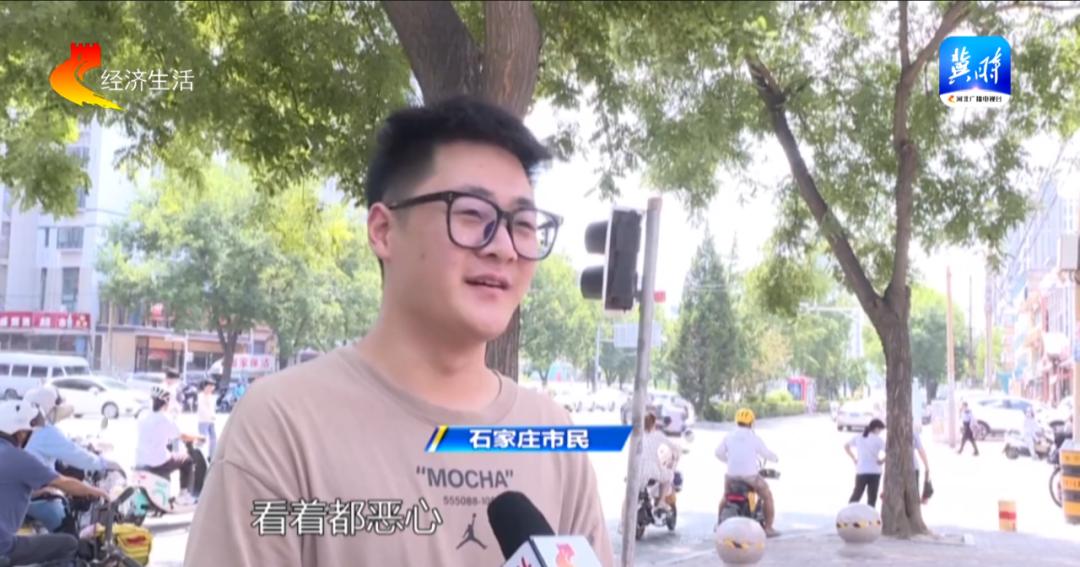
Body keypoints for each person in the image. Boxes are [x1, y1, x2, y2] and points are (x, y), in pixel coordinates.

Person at [184, 96, 613, 567]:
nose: (505, 248)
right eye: (472, 215)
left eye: (524, 225)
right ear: (383, 231)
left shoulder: (551, 433)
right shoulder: (282, 425)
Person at [1, 400, 109, 566]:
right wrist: (97, 492)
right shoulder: (18, 458)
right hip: (4, 546)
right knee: (69, 544)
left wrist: (41, 491)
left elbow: (8, 487)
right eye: (28, 432)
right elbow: (63, 482)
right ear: (20, 432)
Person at [21, 386, 122, 534]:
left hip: (15, 496)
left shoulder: (20, 428)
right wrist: (103, 464)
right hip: (34, 497)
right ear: (48, 410)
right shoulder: (46, 431)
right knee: (69, 536)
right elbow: (77, 455)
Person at [716, 408, 780, 537]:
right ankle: (768, 528)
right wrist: (775, 458)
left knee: (725, 496)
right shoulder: (754, 438)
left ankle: (718, 524)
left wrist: (728, 461)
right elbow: (766, 453)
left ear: (736, 421)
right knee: (767, 496)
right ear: (751, 423)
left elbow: (718, 453)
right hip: (750, 477)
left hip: (731, 477)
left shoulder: (729, 436)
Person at [135, 387, 202, 506]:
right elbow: (182, 436)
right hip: (157, 462)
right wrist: (199, 437)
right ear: (166, 403)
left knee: (170, 454)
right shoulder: (165, 418)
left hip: (140, 459)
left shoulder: (143, 415)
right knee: (187, 460)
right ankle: (184, 496)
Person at [640, 413, 681, 511]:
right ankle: (661, 502)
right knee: (669, 475)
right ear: (653, 424)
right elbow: (674, 447)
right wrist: (679, 450)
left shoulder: (637, 435)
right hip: (651, 470)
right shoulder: (658, 435)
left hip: (637, 470)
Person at [845, 418, 885, 508]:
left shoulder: (858, 437)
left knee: (857, 493)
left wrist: (854, 458)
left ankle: (849, 511)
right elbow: (890, 452)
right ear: (876, 428)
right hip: (875, 471)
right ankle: (870, 514)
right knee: (872, 497)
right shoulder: (878, 440)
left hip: (861, 470)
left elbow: (846, 446)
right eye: (880, 430)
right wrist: (882, 461)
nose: (880, 432)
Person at [196, 380, 217, 462]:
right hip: (203, 421)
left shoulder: (211, 396)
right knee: (202, 440)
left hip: (211, 421)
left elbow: (212, 408)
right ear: (204, 387)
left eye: (212, 387)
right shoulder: (201, 396)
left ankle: (211, 456)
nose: (211, 388)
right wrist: (211, 416)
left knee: (214, 439)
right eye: (209, 386)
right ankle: (194, 454)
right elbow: (202, 409)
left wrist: (213, 416)